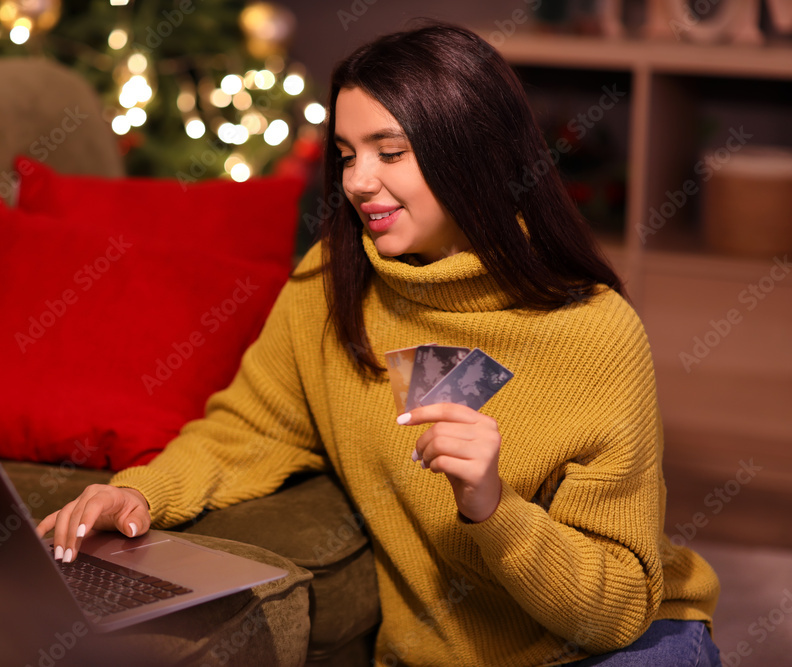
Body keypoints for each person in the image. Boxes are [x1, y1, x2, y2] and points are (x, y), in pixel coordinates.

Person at [37, 19, 721, 666]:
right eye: (345, 155)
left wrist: (494, 504)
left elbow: (618, 609)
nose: (358, 182)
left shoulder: (595, 331)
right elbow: (249, 429)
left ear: (472, 152)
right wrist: (138, 495)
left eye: (390, 152)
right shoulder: (332, 288)